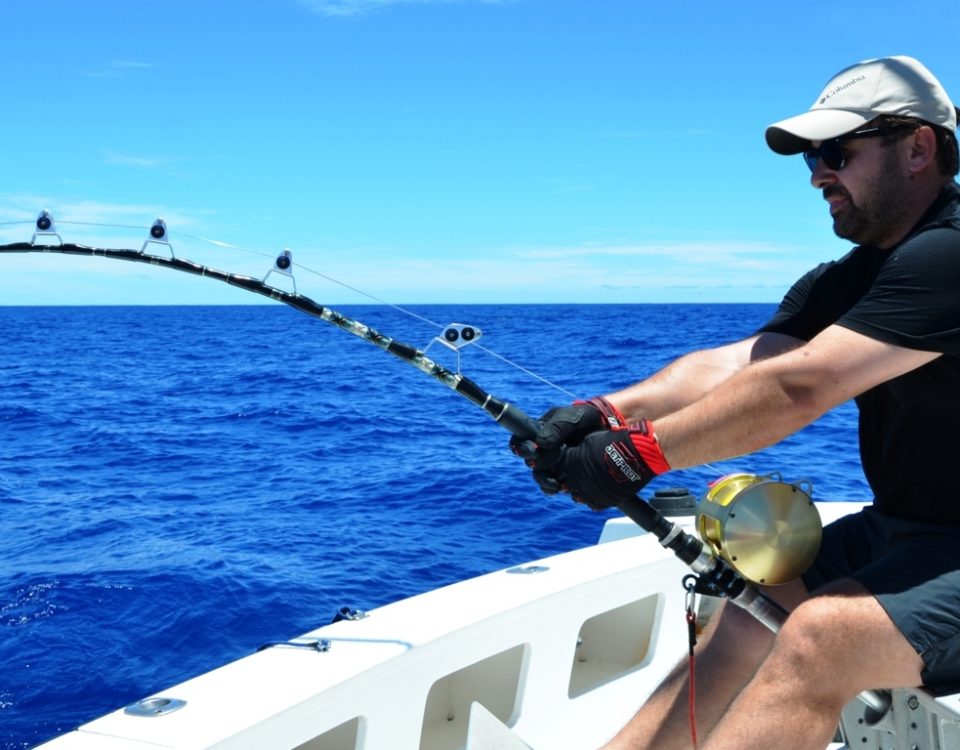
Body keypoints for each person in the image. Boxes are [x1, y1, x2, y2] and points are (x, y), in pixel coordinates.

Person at [512, 55, 960, 750]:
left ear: (919, 148)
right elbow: (740, 365)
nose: (817, 175)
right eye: (811, 157)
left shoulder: (951, 254)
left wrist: (636, 457)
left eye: (836, 152)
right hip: (911, 528)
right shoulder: (852, 277)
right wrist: (603, 414)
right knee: (754, 600)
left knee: (822, 637)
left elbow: (798, 387)